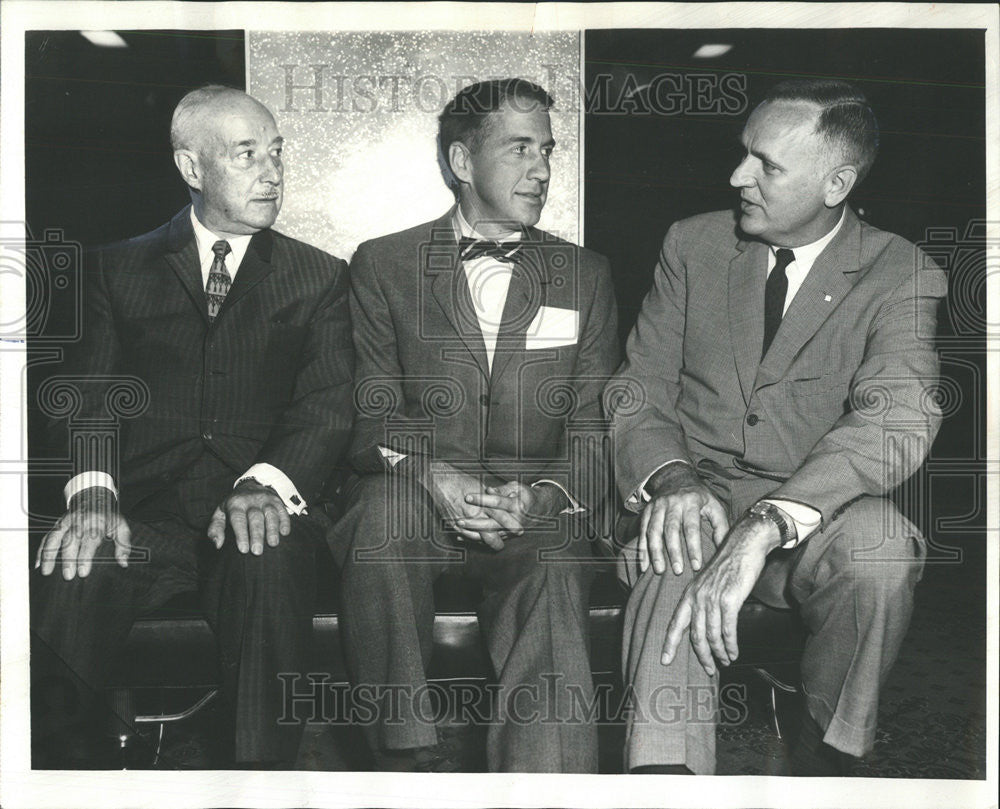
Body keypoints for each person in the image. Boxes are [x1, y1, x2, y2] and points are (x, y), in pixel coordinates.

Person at [608, 79, 947, 775]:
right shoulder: (693, 244)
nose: (738, 176)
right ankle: (666, 775)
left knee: (881, 549)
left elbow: (897, 417)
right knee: (678, 545)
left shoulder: (900, 272)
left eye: (767, 164)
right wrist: (671, 477)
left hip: (807, 516)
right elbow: (638, 388)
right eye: (743, 155)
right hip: (694, 494)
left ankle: (825, 754)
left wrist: (766, 524)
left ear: (836, 183)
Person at [31, 85, 354, 768]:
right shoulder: (116, 270)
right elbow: (91, 395)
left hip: (257, 514)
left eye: (276, 154)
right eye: (246, 155)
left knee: (266, 552)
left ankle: (257, 777)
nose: (272, 173)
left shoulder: (320, 279)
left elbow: (326, 402)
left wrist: (266, 483)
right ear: (191, 167)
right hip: (142, 516)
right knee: (75, 562)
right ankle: (56, 771)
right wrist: (94, 496)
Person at [329, 78, 620, 772]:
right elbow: (367, 412)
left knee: (556, 558)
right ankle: (403, 762)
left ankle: (543, 777)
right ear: (462, 162)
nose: (543, 169)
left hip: (534, 501)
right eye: (520, 148)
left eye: (547, 149)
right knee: (378, 525)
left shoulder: (586, 274)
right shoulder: (383, 264)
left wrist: (543, 496)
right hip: (418, 493)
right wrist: (432, 473)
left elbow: (591, 429)